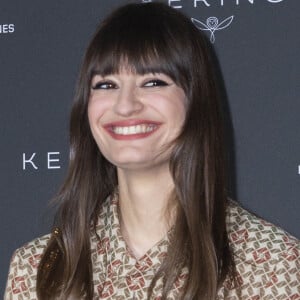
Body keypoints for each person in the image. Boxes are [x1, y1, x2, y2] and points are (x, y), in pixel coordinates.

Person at [4, 2, 299, 300]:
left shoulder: (271, 262)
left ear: (195, 100)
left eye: (153, 82)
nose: (125, 105)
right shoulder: (37, 268)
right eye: (106, 84)